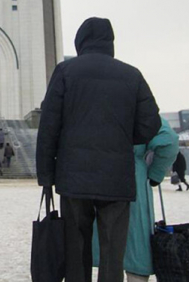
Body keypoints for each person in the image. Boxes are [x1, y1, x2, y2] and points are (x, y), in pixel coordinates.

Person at [36, 17, 160, 282]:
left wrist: (46, 176)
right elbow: (151, 123)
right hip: (116, 177)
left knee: (76, 247)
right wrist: (122, 138)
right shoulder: (131, 74)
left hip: (74, 176)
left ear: (80, 42)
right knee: (112, 249)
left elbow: (48, 127)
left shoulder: (66, 71)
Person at [93, 117, 179, 282]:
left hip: (96, 177)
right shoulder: (137, 104)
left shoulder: (91, 104)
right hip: (132, 177)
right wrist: (155, 174)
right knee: (136, 244)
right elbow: (169, 141)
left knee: (104, 248)